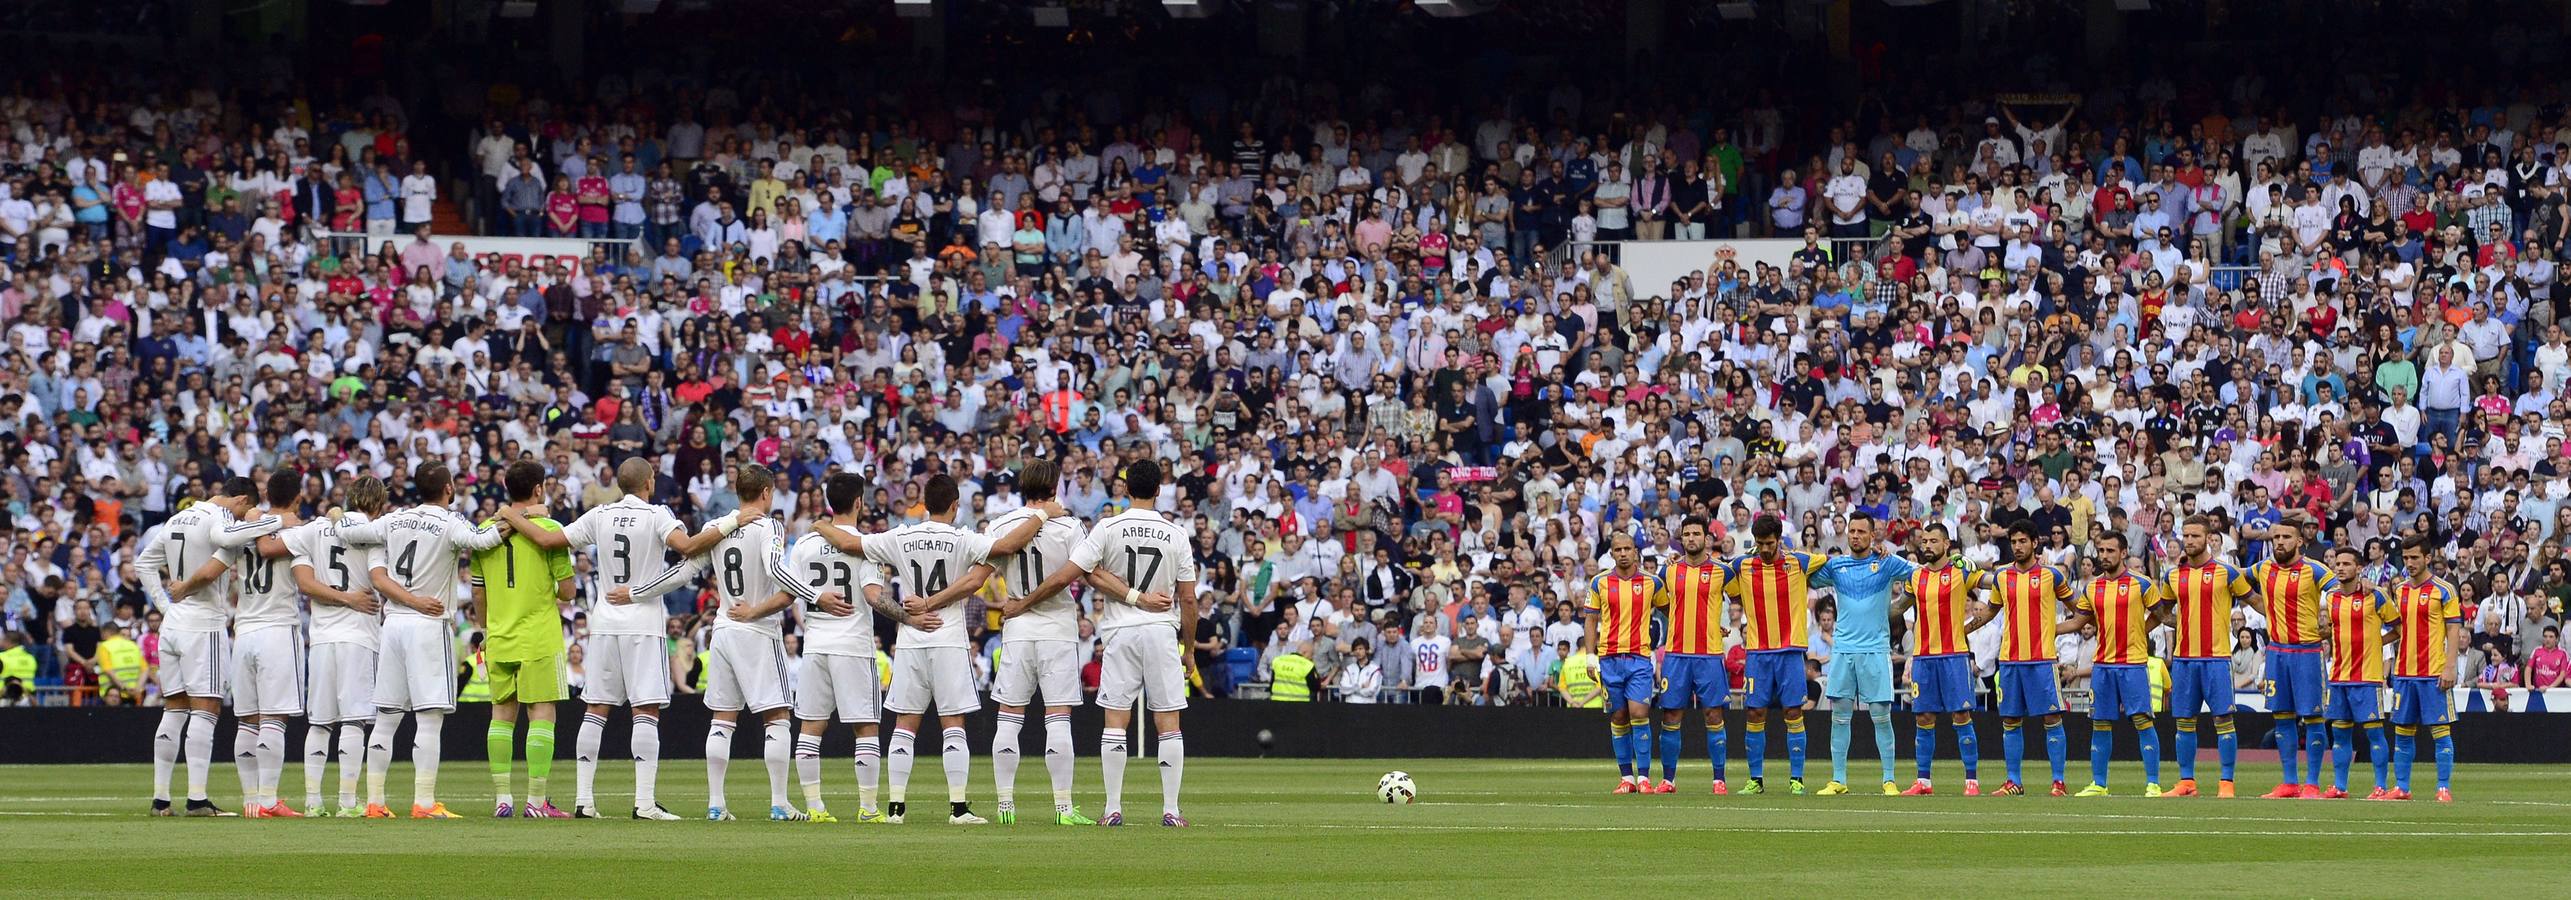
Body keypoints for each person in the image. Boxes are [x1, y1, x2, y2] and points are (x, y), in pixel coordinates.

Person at [501, 457, 742, 820]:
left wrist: (510, 513)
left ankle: (584, 801)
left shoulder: (600, 514)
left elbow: (548, 539)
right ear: (650, 482)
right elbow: (688, 547)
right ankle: (644, 803)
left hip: (603, 622)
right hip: (642, 622)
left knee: (596, 707)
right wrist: (733, 521)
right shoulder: (657, 515)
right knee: (644, 709)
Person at [810, 472, 1051, 825]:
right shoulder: (962, 537)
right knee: (953, 723)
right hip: (948, 636)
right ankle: (957, 808)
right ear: (955, 505)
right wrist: (1043, 515)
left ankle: (895, 808)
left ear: (924, 503)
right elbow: (1005, 547)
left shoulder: (900, 536)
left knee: (904, 725)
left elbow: (849, 545)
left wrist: (820, 524)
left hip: (911, 639)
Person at [1012, 458, 1196, 827]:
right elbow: (1189, 599)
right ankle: (1171, 810)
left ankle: (1113, 807)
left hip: (1119, 631)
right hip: (1161, 630)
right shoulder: (1176, 534)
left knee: (1115, 721)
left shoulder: (1108, 528)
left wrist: (1024, 602)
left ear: (1126, 490)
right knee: (1168, 721)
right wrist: (1189, 649)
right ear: (1159, 490)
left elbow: (1078, 572)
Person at [619, 464, 799, 821]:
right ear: (766, 493)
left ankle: (716, 804)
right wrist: (810, 595)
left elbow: (683, 572)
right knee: (777, 716)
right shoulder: (768, 526)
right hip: (757, 628)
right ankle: (780, 803)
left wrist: (637, 591)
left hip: (723, 629)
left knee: (722, 719)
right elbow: (778, 571)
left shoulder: (716, 528)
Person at [341, 462, 511, 818]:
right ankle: (423, 802)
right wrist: (515, 519)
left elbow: (350, 534)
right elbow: (484, 540)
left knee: (386, 717)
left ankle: (374, 802)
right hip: (428, 622)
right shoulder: (450, 522)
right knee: (430, 717)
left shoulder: (393, 520)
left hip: (393, 624)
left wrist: (336, 515)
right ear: (449, 488)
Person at [772, 473, 926, 822]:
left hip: (815, 646)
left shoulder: (806, 544)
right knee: (866, 727)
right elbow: (874, 597)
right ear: (859, 502)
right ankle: (868, 809)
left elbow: (792, 594)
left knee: (810, 727)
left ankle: (814, 808)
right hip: (853, 646)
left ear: (829, 502)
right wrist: (907, 618)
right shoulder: (866, 545)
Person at [136, 477, 283, 816]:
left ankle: (161, 800)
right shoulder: (219, 520)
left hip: (173, 625)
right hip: (204, 623)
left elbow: (144, 562)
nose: (245, 516)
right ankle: (197, 799)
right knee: (206, 709)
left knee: (174, 710)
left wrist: (164, 607)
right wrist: (274, 520)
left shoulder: (178, 518)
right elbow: (222, 538)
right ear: (241, 499)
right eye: (246, 509)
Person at [981, 459, 1102, 825]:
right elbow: (1085, 575)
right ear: (1054, 489)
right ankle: (1064, 809)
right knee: (1058, 717)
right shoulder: (1069, 527)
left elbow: (981, 572)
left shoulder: (1000, 524)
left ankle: (1005, 806)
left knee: (1008, 716)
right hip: (1057, 628)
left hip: (1017, 629)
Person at [469, 460, 578, 819]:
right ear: (538, 489)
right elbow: (567, 592)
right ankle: (535, 801)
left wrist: (486, 631)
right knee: (542, 714)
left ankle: (502, 798)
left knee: (501, 716)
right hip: (539, 636)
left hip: (499, 633)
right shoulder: (549, 529)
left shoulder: (484, 532)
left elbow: (479, 594)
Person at [285, 474, 390, 817]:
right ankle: (347, 801)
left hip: (322, 638)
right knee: (354, 720)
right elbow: (379, 580)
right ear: (377, 503)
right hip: (359, 636)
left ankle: (313, 801)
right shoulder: (375, 532)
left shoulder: (313, 529)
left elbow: (304, 583)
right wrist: (352, 600)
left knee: (319, 722)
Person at [1811, 512, 1914, 796]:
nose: (1855, 535)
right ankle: (1838, 779)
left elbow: (1917, 573)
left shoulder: (1886, 562)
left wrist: (1902, 603)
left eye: (1861, 531)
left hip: (1875, 649)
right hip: (1843, 650)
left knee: (1881, 715)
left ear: (1872, 535)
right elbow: (1807, 574)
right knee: (1839, 716)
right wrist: (1818, 559)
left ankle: (1889, 780)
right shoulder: (1836, 566)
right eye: (1852, 531)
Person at [229, 470, 312, 817]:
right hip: (277, 628)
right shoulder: (297, 529)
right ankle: (268, 799)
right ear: (297, 497)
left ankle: (251, 800)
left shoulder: (245, 526)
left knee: (247, 721)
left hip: (244, 629)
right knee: (274, 719)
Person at [1725, 513, 1825, 795]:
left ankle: (1797, 779)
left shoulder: (1799, 561)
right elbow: (1714, 575)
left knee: (1793, 711)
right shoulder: (1742, 565)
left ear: (1779, 539)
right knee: (1755, 712)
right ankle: (1755, 779)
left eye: (1769, 543)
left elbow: (1833, 561)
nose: (1765, 549)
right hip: (1757, 652)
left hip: (1790, 651)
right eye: (1760, 543)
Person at [2158, 514, 2252, 798]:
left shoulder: (2227, 572)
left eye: (2195, 536)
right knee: (2184, 722)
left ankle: (2226, 783)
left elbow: (2254, 601)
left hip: (2217, 658)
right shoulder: (2172, 575)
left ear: (2210, 538)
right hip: (2184, 660)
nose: (2189, 541)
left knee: (2223, 721)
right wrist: (2185, 622)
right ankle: (2187, 782)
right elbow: (2163, 611)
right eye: (2185, 536)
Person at [1893, 523, 1990, 796]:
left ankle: (1972, 780)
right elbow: (1900, 607)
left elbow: (1994, 583)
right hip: (1923, 657)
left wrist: (2002, 570)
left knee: (1961, 715)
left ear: (1946, 544)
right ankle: (1923, 781)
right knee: (1923, 717)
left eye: (1933, 541)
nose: (1927, 546)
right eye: (1924, 541)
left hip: (1954, 655)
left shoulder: (1961, 570)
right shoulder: (1916, 576)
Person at [2064, 532, 2164, 797]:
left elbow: (2160, 614)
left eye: (2110, 550)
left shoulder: (2141, 584)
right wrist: (2048, 629)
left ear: (2123, 553)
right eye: (2101, 550)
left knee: (2143, 720)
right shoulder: (2092, 587)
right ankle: (2099, 784)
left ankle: (2153, 783)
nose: (2104, 555)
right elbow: (2078, 621)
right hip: (2103, 665)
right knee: (2100, 722)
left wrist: (2139, 632)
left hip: (2132, 664)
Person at [1985, 520, 2075, 797]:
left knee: (2051, 719)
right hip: (2010, 660)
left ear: (2035, 543)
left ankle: (2058, 782)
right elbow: (1990, 612)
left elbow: (2080, 611)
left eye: (2023, 541)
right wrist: (1965, 628)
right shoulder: (2002, 577)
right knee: (2010, 721)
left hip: (2042, 660)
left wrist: (2053, 629)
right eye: (2013, 542)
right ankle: (2014, 781)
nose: (2018, 546)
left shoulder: (2052, 576)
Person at [2246, 512, 2330, 798]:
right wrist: (2257, 603)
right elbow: (2234, 580)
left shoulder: (2315, 570)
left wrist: (2329, 625)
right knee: (2282, 717)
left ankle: (2313, 784)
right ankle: (2289, 782)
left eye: (2286, 537)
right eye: (2277, 537)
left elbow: (2343, 590)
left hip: (2307, 652)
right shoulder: (2262, 568)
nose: (2280, 542)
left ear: (2300, 541)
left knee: (2313, 717)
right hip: (2276, 652)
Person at [1653, 515, 1733, 794]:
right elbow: (1663, 604)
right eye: (1686, 534)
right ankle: (1668, 780)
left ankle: (1719, 779)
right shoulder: (1669, 571)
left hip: (1709, 654)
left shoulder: (1723, 571)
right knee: (1671, 715)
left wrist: (1719, 623)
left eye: (1696, 534)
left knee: (1713, 715)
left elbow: (1743, 595)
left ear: (1706, 538)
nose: (1690, 538)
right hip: (1676, 654)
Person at [1583, 531, 1664, 794]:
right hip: (1609, 659)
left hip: (1639, 657)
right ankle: (1626, 778)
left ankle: (1644, 777)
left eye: (1627, 548)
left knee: (1639, 713)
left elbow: (1671, 609)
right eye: (1618, 550)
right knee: (1618, 716)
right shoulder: (1599, 582)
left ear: (1635, 551)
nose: (1623, 554)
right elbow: (1591, 620)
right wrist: (1589, 656)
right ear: (1612, 553)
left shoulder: (1652, 582)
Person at [2385, 536, 2463, 802]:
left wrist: (2450, 666)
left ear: (2428, 558)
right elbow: (2398, 628)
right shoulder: (2401, 590)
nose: (2409, 563)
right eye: (2406, 558)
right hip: (2405, 672)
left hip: (2433, 672)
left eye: (2414, 557)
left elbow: (2453, 630)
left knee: (2440, 732)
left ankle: (2443, 788)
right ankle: (2402, 787)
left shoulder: (2444, 589)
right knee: (2402, 732)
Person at [2321, 545, 2396, 799]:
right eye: (2338, 564)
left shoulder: (2375, 596)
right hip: (2339, 676)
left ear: (2359, 568)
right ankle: (2340, 786)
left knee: (2374, 733)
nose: (2340, 567)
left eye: (2346, 564)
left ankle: (2380, 786)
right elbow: (2330, 630)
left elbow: (2398, 628)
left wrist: (2376, 644)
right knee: (2340, 734)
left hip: (2368, 677)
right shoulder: (2331, 598)